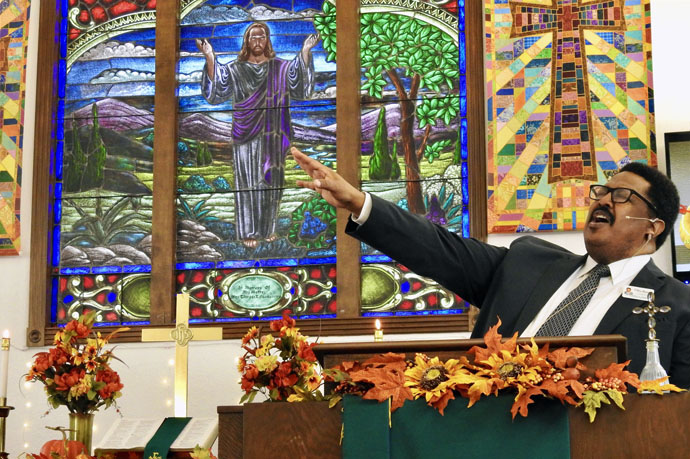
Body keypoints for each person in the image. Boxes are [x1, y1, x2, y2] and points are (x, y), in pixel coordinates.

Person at [292, 147, 690, 388]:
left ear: (653, 228)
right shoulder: (528, 262)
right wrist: (360, 203)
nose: (602, 200)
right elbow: (439, 248)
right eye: (600, 191)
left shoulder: (678, 306)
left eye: (621, 196)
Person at [196, 23, 319, 248]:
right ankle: (248, 232)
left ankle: (268, 228)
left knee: (271, 181)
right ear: (247, 41)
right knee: (247, 182)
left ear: (267, 40)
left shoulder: (279, 67)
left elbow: (297, 80)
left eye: (262, 37)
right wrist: (210, 57)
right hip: (245, 135)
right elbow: (218, 88)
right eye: (253, 37)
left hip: (272, 134)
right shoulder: (237, 69)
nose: (258, 41)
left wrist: (305, 52)